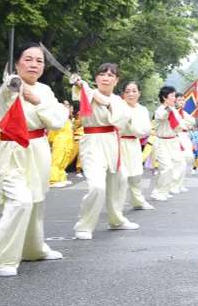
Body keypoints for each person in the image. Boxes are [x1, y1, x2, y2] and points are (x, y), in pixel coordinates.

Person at [0, 44, 69, 277]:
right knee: (20, 202)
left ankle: (34, 250)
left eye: (39, 61)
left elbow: (57, 120)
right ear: (16, 63)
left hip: (38, 150)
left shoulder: (45, 90)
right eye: (28, 59)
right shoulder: (10, 85)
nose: (34, 65)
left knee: (35, 202)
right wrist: (15, 83)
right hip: (12, 151)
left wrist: (36, 100)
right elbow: (10, 86)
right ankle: (3, 260)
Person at [72, 64, 136, 240]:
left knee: (120, 179)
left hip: (112, 141)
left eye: (110, 75)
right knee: (97, 185)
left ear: (116, 80)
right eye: (102, 74)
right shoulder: (88, 92)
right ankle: (84, 225)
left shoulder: (118, 101)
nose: (105, 78)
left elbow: (123, 118)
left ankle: (116, 220)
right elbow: (80, 92)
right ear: (96, 78)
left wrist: (107, 104)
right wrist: (79, 84)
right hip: (92, 141)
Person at [118, 81, 154, 212]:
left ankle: (138, 201)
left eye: (134, 91)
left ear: (139, 93)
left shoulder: (142, 110)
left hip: (133, 144)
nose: (131, 94)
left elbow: (144, 130)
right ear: (123, 93)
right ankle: (117, 206)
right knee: (120, 176)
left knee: (136, 175)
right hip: (118, 143)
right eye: (127, 91)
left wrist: (131, 123)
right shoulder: (118, 107)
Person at [150, 87, 182, 202]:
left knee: (176, 165)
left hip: (173, 141)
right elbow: (162, 116)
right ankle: (158, 192)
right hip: (162, 142)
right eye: (172, 96)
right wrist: (170, 109)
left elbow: (180, 123)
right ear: (164, 97)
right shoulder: (160, 110)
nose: (174, 98)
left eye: (174, 96)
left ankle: (164, 190)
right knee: (166, 167)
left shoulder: (173, 109)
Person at [171, 94, 195, 193]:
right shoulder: (173, 111)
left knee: (183, 163)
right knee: (177, 163)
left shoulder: (184, 113)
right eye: (179, 100)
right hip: (176, 137)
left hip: (184, 137)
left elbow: (191, 122)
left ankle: (179, 184)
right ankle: (173, 186)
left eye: (183, 100)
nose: (182, 102)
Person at [48, 102, 75, 188]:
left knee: (63, 161)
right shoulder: (58, 119)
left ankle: (61, 178)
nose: (70, 109)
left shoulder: (67, 119)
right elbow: (53, 131)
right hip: (60, 142)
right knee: (57, 161)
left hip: (67, 142)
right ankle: (53, 180)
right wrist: (51, 141)